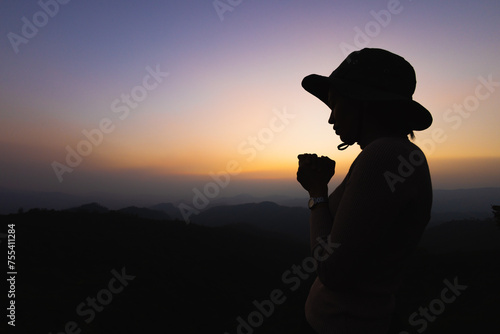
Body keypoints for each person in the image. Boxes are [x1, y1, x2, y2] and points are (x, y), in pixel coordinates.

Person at [296, 48, 433, 334]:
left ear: (364, 104)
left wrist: (317, 192)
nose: (331, 119)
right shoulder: (397, 154)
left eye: (335, 104)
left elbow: (331, 270)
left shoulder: (385, 156)